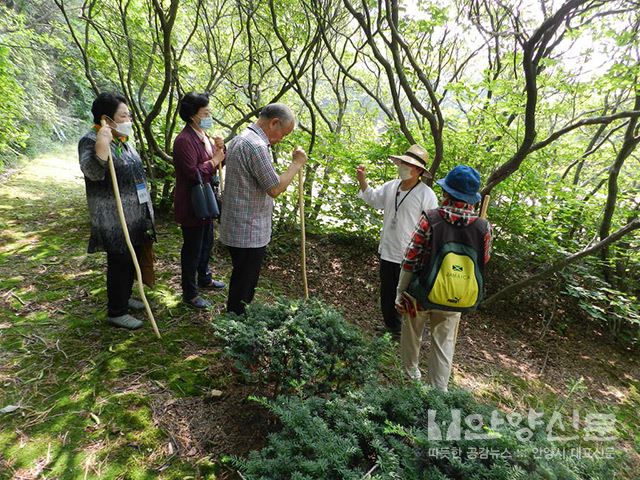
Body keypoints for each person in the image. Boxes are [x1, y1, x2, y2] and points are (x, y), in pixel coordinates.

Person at [395, 165, 492, 391]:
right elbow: (483, 260)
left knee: (412, 335)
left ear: (446, 193)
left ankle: (410, 381)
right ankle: (438, 393)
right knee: (444, 344)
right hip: (457, 295)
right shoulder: (483, 226)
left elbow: (410, 258)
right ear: (471, 198)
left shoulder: (431, 218)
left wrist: (401, 292)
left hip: (421, 292)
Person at [219, 103, 307, 315]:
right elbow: (275, 188)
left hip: (237, 224)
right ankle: (236, 322)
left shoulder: (241, 138)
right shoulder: (256, 145)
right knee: (245, 280)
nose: (281, 139)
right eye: (282, 134)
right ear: (273, 122)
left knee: (241, 276)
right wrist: (296, 164)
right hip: (248, 229)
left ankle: (234, 317)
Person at [78, 92, 156, 330]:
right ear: (106, 119)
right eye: (123, 115)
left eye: (128, 115)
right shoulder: (91, 140)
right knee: (120, 259)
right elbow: (92, 171)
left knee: (131, 257)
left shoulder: (122, 139)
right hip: (114, 216)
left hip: (135, 213)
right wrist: (102, 142)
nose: (128, 119)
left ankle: (126, 296)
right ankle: (116, 310)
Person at [356, 144, 438, 333]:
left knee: (404, 294)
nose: (403, 166)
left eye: (408, 165)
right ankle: (390, 327)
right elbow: (373, 199)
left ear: (419, 171)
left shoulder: (426, 194)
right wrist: (362, 180)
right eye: (402, 162)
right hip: (387, 249)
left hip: (409, 255)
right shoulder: (392, 186)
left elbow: (431, 228)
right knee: (387, 291)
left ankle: (404, 331)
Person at [173, 92, 226, 309]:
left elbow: (220, 163)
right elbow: (190, 173)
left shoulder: (204, 136)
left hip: (208, 199)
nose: (209, 116)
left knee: (207, 242)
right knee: (193, 247)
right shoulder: (184, 140)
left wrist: (222, 149)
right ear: (193, 116)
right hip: (192, 202)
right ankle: (190, 292)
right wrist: (213, 160)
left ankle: (205, 277)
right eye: (205, 112)